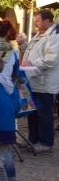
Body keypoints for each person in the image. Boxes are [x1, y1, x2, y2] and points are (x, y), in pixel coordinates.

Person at [21, 9, 59, 153]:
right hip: (33, 81)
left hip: (45, 82)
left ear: (47, 21)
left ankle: (46, 143)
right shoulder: (39, 34)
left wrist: (31, 64)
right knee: (33, 112)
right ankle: (33, 140)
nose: (35, 24)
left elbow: (51, 60)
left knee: (44, 114)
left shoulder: (55, 35)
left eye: (38, 21)